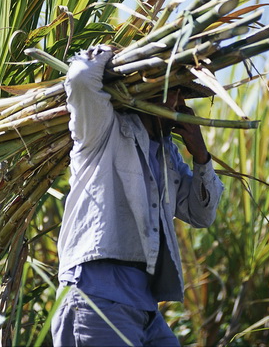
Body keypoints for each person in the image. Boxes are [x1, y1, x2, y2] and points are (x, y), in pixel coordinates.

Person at [51, 45, 224, 346]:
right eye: (175, 93)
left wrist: (200, 154)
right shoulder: (103, 132)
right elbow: (80, 79)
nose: (180, 104)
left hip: (144, 306)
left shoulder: (167, 155)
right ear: (148, 91)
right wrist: (108, 52)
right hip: (96, 297)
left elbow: (201, 214)